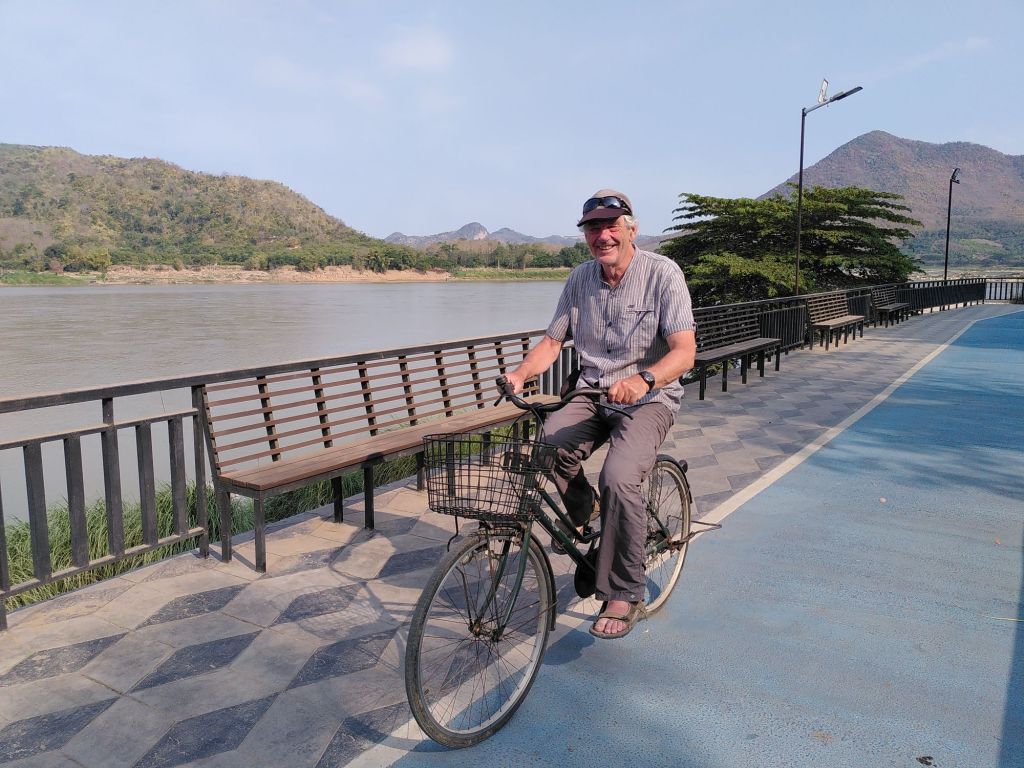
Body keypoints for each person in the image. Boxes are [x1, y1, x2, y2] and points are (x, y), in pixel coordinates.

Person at [504, 189, 697, 640]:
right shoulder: (579, 279)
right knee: (548, 447)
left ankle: (624, 591)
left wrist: (644, 379)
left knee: (619, 476)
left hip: (649, 398)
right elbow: (552, 342)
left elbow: (684, 352)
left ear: (632, 230)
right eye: (593, 228)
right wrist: (520, 374)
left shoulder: (663, 273)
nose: (603, 235)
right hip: (591, 393)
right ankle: (587, 510)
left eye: (611, 226)